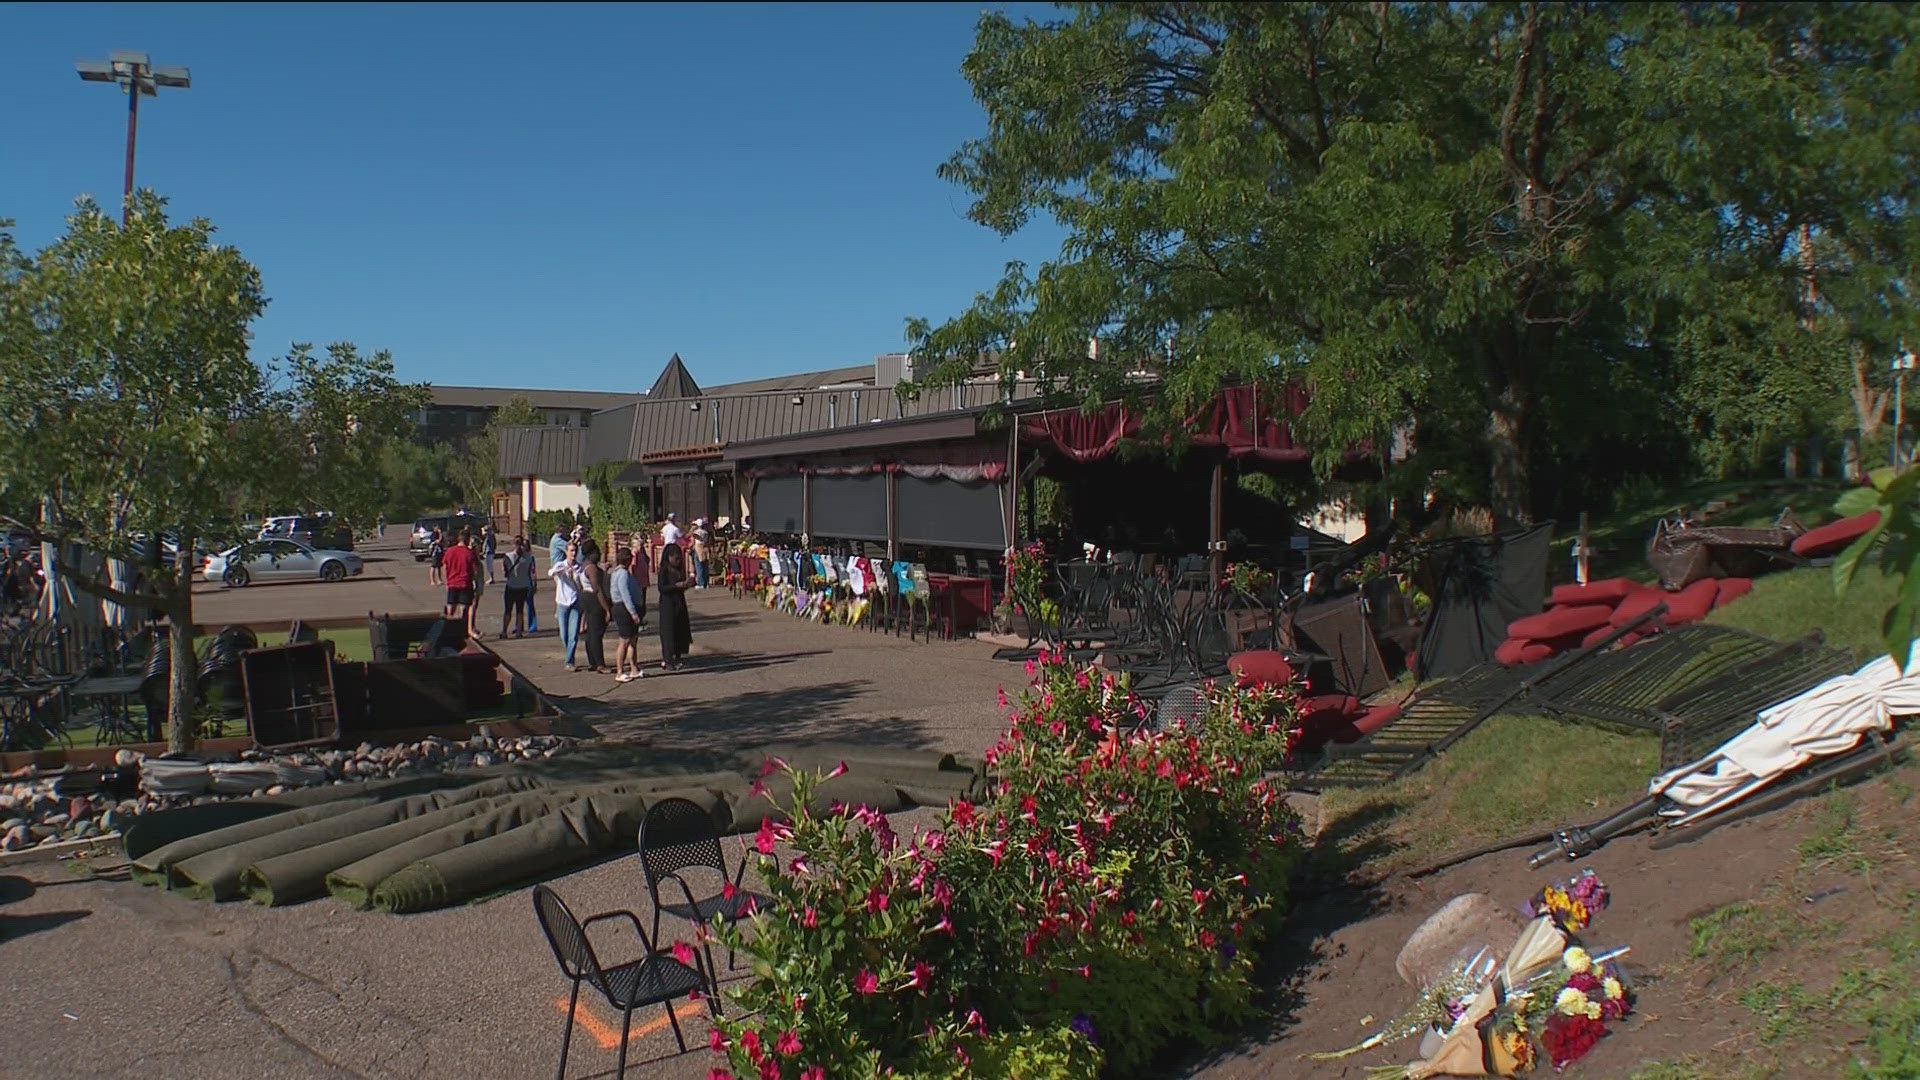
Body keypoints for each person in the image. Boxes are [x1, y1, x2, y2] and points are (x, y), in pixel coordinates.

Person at [608, 548, 644, 682]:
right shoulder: (622, 574)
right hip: (623, 609)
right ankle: (620, 671)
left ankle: (634, 668)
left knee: (633, 640)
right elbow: (625, 594)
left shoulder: (619, 573)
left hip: (624, 608)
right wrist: (633, 613)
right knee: (624, 641)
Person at [656, 540, 693, 671]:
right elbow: (662, 587)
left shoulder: (679, 569)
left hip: (679, 601)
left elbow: (682, 584)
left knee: (680, 630)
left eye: (678, 557)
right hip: (668, 604)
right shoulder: (664, 570)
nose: (677, 560)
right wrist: (676, 586)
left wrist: (686, 584)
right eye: (674, 557)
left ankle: (678, 656)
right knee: (668, 632)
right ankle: (668, 659)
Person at [577, 541, 611, 673]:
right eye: (597, 552)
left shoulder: (584, 566)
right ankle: (600, 665)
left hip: (585, 598)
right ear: (591, 553)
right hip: (593, 600)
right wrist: (607, 609)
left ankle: (593, 662)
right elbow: (597, 589)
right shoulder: (591, 568)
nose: (599, 554)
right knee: (596, 633)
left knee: (590, 633)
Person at [550, 540, 583, 670]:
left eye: (575, 551)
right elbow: (551, 572)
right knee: (564, 634)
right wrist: (560, 572)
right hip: (562, 603)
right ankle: (570, 654)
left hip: (575, 602)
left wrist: (574, 577)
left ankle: (569, 662)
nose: (573, 554)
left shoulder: (579, 568)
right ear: (566, 552)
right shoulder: (561, 565)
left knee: (573, 634)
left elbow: (581, 586)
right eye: (571, 551)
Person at [440, 527, 477, 634]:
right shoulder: (469, 553)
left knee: (450, 607)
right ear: (467, 539)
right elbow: (474, 570)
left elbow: (444, 566)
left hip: (452, 583)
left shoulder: (450, 551)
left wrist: (447, 579)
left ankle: (447, 630)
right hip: (465, 583)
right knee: (463, 609)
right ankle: (462, 631)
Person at [500, 535, 536, 637]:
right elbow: (530, 571)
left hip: (511, 585)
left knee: (508, 610)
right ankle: (519, 632)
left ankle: (504, 631)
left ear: (513, 544)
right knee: (520, 610)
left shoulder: (508, 556)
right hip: (523, 585)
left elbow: (505, 571)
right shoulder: (528, 557)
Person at [463, 531, 486, 639]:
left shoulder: (475, 557)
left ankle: (471, 627)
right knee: (472, 606)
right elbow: (474, 572)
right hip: (473, 583)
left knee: (473, 606)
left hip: (476, 582)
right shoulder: (471, 556)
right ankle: (470, 629)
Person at [627, 534, 651, 628]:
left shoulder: (642, 552)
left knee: (643, 601)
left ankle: (641, 620)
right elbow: (633, 566)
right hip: (637, 580)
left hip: (643, 579)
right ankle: (638, 622)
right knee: (638, 601)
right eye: (638, 542)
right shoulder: (634, 553)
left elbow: (647, 560)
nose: (640, 545)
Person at [691, 518, 711, 589]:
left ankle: (700, 583)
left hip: (698, 548)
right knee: (705, 566)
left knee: (699, 566)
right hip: (705, 548)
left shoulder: (696, 532)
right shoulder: (705, 532)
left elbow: (692, 540)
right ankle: (706, 582)